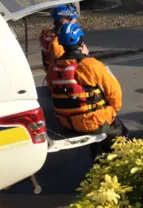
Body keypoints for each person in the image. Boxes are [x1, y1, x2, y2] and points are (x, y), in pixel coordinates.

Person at [46, 23, 126, 158]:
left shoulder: (53, 67)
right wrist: (112, 112)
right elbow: (114, 94)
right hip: (91, 122)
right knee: (121, 135)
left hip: (66, 121)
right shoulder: (90, 65)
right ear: (81, 42)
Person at [39, 4, 78, 72]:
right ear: (64, 21)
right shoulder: (57, 41)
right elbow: (66, 63)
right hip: (66, 76)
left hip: (52, 76)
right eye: (73, 21)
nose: (75, 23)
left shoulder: (47, 36)